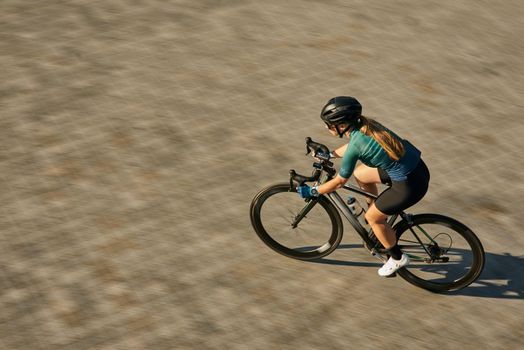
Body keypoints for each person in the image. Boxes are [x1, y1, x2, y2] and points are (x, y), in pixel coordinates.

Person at [297, 96, 430, 276]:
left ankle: (397, 258)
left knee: (374, 218)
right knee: (361, 174)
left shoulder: (357, 144)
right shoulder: (368, 125)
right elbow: (354, 146)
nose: (326, 128)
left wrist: (314, 190)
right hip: (416, 169)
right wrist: (329, 154)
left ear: (342, 125)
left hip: (410, 185)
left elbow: (339, 182)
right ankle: (374, 213)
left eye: (329, 124)